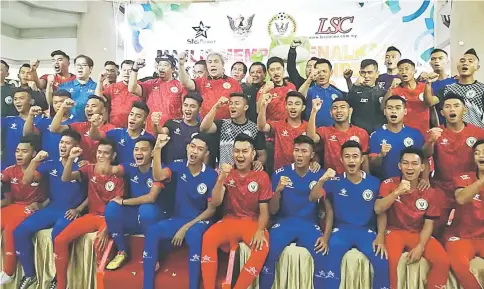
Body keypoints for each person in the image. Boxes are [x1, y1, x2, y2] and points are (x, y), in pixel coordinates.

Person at [143, 133, 217, 289]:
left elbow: (211, 210)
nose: (194, 151)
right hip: (177, 218)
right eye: (192, 146)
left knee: (193, 235)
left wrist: (185, 228)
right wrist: (157, 150)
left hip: (199, 220)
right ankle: (147, 285)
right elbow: (158, 175)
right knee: (152, 231)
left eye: (200, 149)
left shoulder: (211, 175)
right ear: (187, 147)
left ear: (206, 153)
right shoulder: (177, 166)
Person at [259, 135, 334, 289]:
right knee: (270, 251)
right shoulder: (280, 174)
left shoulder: (320, 174)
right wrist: (278, 191)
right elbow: (273, 210)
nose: (299, 155)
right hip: (284, 222)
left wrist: (325, 237)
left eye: (304, 151)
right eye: (296, 150)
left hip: (309, 224)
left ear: (312, 155)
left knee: (322, 254)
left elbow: (328, 208)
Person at [14, 130, 86, 288]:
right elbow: (26, 180)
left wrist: (79, 209)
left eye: (67, 143)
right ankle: (30, 274)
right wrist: (35, 160)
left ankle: (58, 278)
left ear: (76, 146)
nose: (63, 146)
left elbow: (92, 193)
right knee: (19, 232)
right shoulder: (51, 163)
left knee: (57, 234)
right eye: (61, 142)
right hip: (53, 207)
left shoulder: (82, 165)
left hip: (69, 211)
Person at [201, 133, 272, 289]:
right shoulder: (227, 173)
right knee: (208, 238)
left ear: (253, 154)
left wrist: (260, 229)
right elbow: (216, 202)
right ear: (232, 152)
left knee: (262, 246)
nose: (240, 155)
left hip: (252, 222)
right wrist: (221, 179)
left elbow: (264, 210)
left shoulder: (262, 176)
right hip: (229, 220)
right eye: (237, 151)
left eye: (245, 151)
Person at [52, 139, 125, 289]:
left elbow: (119, 205)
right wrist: (71, 158)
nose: (101, 156)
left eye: (106, 153)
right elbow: (65, 178)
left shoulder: (118, 174)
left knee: (100, 244)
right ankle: (61, 285)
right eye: (99, 152)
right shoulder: (89, 169)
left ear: (114, 155)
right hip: (91, 216)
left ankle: (100, 285)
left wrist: (107, 228)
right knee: (59, 241)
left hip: (107, 219)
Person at [374, 147, 450, 289]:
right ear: (399, 166)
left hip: (417, 233)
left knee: (442, 261)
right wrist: (397, 192)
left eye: (414, 164)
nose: (409, 168)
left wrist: (420, 246)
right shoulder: (389, 183)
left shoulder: (430, 192)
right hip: (394, 231)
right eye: (405, 163)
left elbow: (429, 224)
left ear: (422, 167)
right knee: (390, 262)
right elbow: (378, 209)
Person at [318, 140, 389, 289]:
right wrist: (326, 235)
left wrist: (380, 235)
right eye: (347, 156)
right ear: (341, 159)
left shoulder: (375, 183)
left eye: (355, 156)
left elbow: (381, 212)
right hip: (341, 231)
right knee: (329, 259)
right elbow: (314, 198)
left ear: (362, 159)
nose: (351, 160)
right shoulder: (334, 181)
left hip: (366, 232)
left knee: (382, 261)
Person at [104, 136, 168, 270]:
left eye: (143, 150)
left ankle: (153, 255)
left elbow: (151, 197)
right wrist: (102, 163)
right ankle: (122, 251)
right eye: (136, 149)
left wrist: (123, 201)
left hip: (154, 216)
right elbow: (111, 170)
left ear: (152, 153)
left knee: (146, 209)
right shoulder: (130, 166)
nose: (138, 153)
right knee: (111, 207)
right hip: (135, 216)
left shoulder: (159, 169)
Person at [423, 93, 484, 235]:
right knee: (436, 227)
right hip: (442, 187)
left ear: (465, 110)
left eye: (456, 106)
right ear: (442, 112)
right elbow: (425, 155)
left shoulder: (478, 133)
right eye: (448, 107)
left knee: (468, 227)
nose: (452, 110)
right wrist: (431, 140)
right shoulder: (437, 132)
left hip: (468, 187)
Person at [0, 135, 47, 285]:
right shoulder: (10, 170)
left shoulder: (40, 170)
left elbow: (48, 192)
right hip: (14, 205)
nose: (19, 155)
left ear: (33, 154)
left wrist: (42, 205)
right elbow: (4, 186)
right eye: (17, 151)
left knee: (10, 229)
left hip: (31, 207)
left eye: (24, 151)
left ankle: (9, 271)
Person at [444, 139, 484, 289]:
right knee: (460, 266)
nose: (481, 156)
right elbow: (461, 198)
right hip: (461, 236)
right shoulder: (463, 178)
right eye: (477, 153)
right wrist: (481, 181)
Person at [200, 93, 266, 169]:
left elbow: (262, 154)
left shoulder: (254, 128)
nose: (232, 106)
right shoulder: (222, 124)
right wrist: (216, 107)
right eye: (230, 103)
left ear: (245, 107)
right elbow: (203, 128)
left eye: (236, 103)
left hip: (245, 175)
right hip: (224, 173)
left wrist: (259, 162)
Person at [369, 96, 425, 180]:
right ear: (384, 111)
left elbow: (425, 159)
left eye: (398, 108)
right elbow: (373, 165)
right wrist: (381, 155)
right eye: (389, 108)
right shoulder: (376, 135)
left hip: (411, 184)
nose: (393, 111)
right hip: (385, 185)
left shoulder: (415, 134)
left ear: (405, 111)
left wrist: (425, 178)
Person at [307, 97, 370, 173]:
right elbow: (311, 138)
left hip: (353, 180)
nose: (339, 110)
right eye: (335, 108)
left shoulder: (361, 133)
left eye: (342, 107)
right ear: (330, 113)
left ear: (350, 111)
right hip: (331, 178)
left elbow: (365, 159)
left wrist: (367, 179)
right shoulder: (324, 131)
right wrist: (314, 111)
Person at [128, 55, 186, 132]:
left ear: (173, 69)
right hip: (151, 131)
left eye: (165, 65)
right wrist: (135, 69)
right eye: (159, 65)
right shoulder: (150, 84)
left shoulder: (180, 86)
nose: (161, 68)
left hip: (173, 131)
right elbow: (132, 88)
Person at [178, 52, 242, 120]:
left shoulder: (233, 83)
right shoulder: (201, 81)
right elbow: (185, 83)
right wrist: (181, 65)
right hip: (206, 124)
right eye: (210, 62)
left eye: (216, 62)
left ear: (222, 65)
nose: (212, 65)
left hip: (227, 125)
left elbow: (240, 104)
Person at [382, 59, 439, 135]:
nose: (404, 72)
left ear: (414, 71)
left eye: (406, 69)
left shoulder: (425, 87)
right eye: (400, 70)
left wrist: (436, 127)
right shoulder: (395, 90)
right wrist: (391, 88)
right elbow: (383, 108)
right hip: (402, 134)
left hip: (423, 132)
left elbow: (431, 105)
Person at [51, 96, 115, 163]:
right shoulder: (80, 126)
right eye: (87, 106)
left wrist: (91, 165)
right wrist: (63, 108)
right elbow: (54, 129)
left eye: (93, 106)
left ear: (103, 110)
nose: (89, 109)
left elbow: (95, 136)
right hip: (80, 168)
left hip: (99, 170)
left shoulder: (111, 129)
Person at [89, 100, 154, 163]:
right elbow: (95, 136)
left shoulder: (149, 138)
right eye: (131, 114)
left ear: (145, 120)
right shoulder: (117, 133)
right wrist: (93, 125)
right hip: (117, 172)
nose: (133, 118)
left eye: (138, 116)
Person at [257, 91, 308, 171]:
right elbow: (261, 127)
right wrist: (263, 105)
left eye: (297, 104)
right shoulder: (278, 125)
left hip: (302, 173)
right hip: (281, 173)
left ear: (303, 107)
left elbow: (314, 150)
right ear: (286, 106)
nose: (293, 107)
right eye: (290, 104)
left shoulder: (308, 127)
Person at [152, 92, 204, 165]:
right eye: (185, 105)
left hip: (187, 172)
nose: (188, 109)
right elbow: (161, 133)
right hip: (167, 170)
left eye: (192, 106)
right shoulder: (172, 123)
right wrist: (155, 124)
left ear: (200, 109)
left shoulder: (201, 130)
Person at [23, 89, 75, 161]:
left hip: (68, 163)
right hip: (46, 163)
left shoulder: (77, 121)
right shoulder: (45, 121)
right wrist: (30, 116)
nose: (59, 105)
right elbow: (27, 134)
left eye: (62, 102)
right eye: (55, 102)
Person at [441, 48, 484, 129]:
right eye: (462, 61)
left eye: (470, 61)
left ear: (477, 67)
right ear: (457, 66)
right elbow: (430, 102)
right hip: (453, 137)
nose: (465, 63)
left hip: (477, 137)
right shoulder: (447, 89)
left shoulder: (482, 89)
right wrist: (428, 83)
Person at [1, 89, 43, 169]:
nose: (17, 101)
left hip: (32, 168)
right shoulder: (8, 120)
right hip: (8, 167)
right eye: (15, 99)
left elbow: (28, 134)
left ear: (31, 101)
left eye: (21, 98)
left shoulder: (42, 120)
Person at [345, 59, 387, 135]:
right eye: (363, 73)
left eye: (369, 72)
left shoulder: (384, 93)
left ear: (377, 74)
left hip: (378, 134)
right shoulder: (355, 91)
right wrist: (355, 85)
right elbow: (347, 102)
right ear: (359, 73)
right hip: (358, 134)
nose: (366, 76)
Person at [96, 60, 141, 128]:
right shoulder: (113, 87)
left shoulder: (140, 88)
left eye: (130, 70)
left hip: (133, 127)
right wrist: (100, 81)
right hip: (114, 127)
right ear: (120, 71)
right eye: (124, 70)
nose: (127, 73)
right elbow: (99, 98)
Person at [302, 59, 345, 127]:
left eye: (324, 71)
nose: (321, 74)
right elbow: (300, 96)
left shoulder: (338, 94)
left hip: (332, 133)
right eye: (318, 72)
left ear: (330, 73)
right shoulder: (309, 91)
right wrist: (310, 78)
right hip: (312, 132)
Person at [256, 57, 296, 122]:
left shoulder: (291, 86)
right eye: (272, 70)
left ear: (283, 70)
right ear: (268, 72)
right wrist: (264, 91)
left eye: (278, 69)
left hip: (289, 126)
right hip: (271, 127)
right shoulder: (264, 89)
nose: (276, 72)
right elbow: (258, 111)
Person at [58, 54, 97, 122]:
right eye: (77, 65)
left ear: (90, 69)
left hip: (89, 125)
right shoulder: (64, 86)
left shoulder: (96, 87)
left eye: (84, 65)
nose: (80, 67)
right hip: (67, 126)